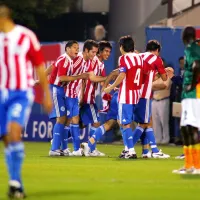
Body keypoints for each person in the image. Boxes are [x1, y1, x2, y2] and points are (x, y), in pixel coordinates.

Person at [0, 4, 52, 198]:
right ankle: (16, 183)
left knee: (14, 132)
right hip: (1, 94)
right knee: (7, 140)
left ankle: (14, 183)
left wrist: (46, 95)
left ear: (3, 19)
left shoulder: (25, 36)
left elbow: (40, 66)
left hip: (21, 93)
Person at [103, 35, 145, 159]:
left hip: (126, 95)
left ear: (121, 47)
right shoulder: (139, 57)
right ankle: (127, 149)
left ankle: (130, 150)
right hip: (136, 93)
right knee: (121, 121)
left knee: (124, 123)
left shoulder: (123, 58)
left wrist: (111, 87)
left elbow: (122, 75)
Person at [48, 40, 88, 156]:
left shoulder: (68, 60)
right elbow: (62, 78)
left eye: (77, 47)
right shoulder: (65, 60)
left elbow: (54, 69)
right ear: (67, 49)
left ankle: (61, 148)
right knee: (61, 118)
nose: (77, 50)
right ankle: (54, 149)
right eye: (75, 48)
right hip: (57, 89)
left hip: (60, 90)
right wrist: (80, 76)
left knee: (64, 118)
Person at [63, 40, 98, 156]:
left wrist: (81, 94)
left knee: (73, 121)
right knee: (70, 120)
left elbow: (83, 79)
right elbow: (68, 75)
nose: (94, 55)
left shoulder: (85, 62)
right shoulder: (78, 60)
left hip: (74, 94)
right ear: (86, 51)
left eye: (96, 53)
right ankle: (72, 148)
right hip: (68, 93)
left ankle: (69, 147)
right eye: (92, 52)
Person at [173, 26, 200, 174]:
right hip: (188, 95)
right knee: (186, 128)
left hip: (193, 95)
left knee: (191, 128)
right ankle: (189, 165)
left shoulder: (192, 48)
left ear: (184, 36)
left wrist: (192, 84)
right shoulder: (192, 48)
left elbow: (197, 65)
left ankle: (196, 166)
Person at [80, 41, 112, 156]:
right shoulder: (93, 61)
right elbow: (91, 78)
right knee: (96, 122)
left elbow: (104, 81)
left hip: (89, 97)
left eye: (109, 52)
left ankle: (58, 141)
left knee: (80, 124)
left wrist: (113, 87)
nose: (108, 54)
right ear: (100, 51)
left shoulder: (101, 64)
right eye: (106, 51)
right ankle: (91, 148)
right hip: (87, 97)